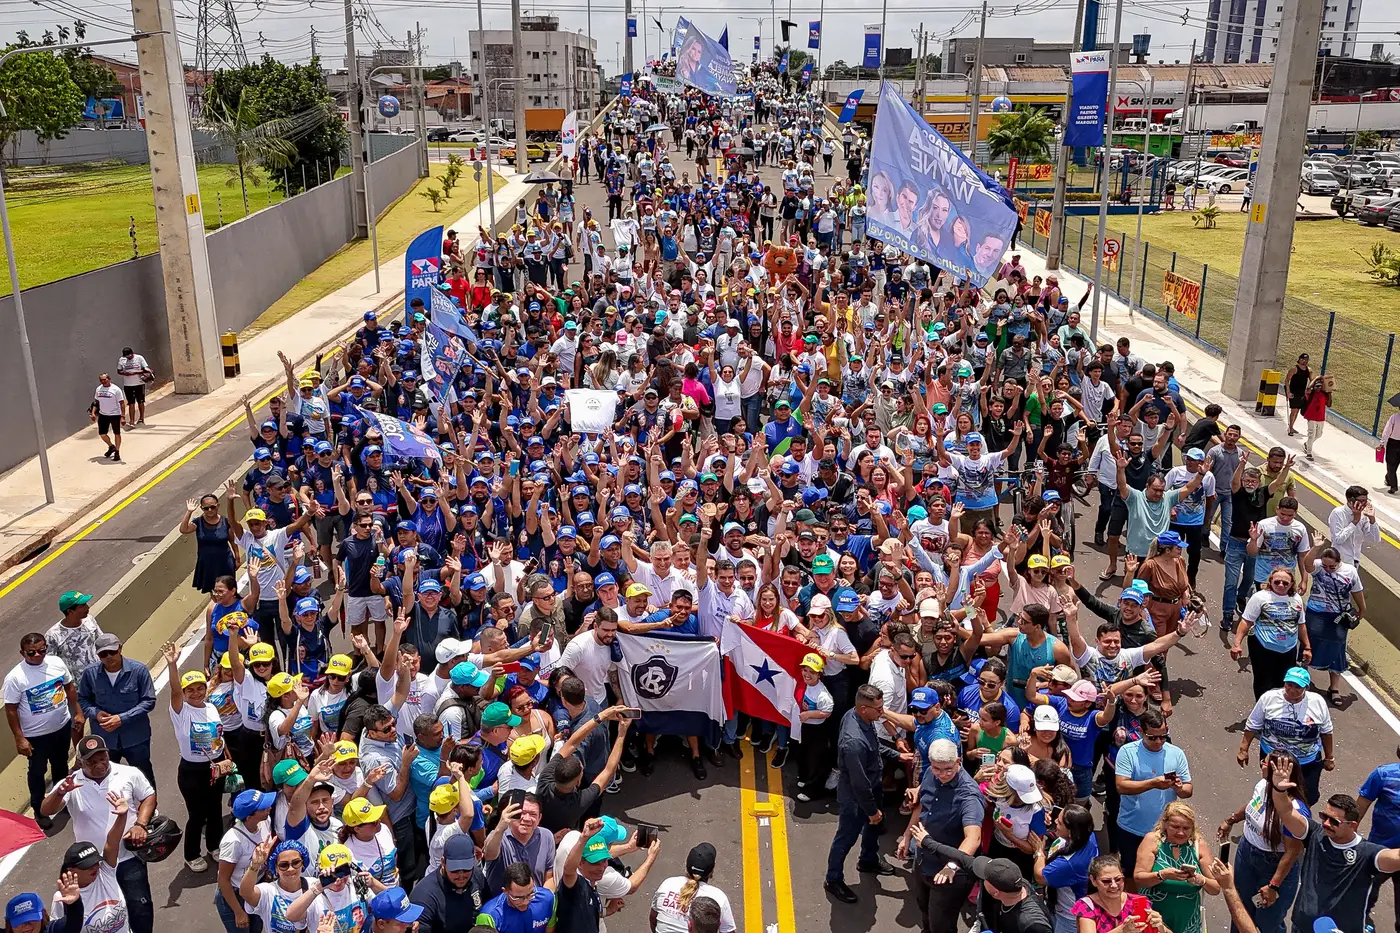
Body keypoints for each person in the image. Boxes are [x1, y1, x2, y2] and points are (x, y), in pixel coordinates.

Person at [1266, 756, 1400, 933]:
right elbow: (1286, 811)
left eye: (1334, 821)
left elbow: (1395, 858)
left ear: (1352, 825)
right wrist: (1278, 789)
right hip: (1302, 927)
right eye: (1324, 817)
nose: (1326, 824)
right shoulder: (1314, 834)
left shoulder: (1367, 853)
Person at [37, 735, 156, 933]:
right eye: (92, 761)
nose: (99, 764)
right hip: (92, 866)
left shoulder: (128, 773)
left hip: (128, 857)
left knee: (140, 907)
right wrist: (59, 793)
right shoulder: (71, 783)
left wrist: (141, 825)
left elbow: (148, 796)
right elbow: (46, 810)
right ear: (81, 762)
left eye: (102, 758)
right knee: (100, 914)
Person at [1217, 750, 1309, 933]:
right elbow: (1253, 804)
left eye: (1265, 762)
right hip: (1246, 855)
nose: (1261, 763)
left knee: (1269, 922)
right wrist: (1232, 819)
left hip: (1273, 866)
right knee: (1239, 910)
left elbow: (1292, 852)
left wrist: (1274, 886)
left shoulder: (1294, 810)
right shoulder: (1262, 785)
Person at [162, 642, 234, 872]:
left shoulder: (211, 708)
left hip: (214, 768)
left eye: (199, 688)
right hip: (191, 772)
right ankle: (191, 854)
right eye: (190, 690)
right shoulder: (181, 711)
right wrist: (173, 665)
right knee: (197, 815)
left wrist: (226, 759)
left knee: (214, 810)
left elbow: (219, 737)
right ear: (183, 693)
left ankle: (214, 846)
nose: (196, 693)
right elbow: (173, 690)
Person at [824, 684, 898, 903]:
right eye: (878, 709)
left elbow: (873, 747)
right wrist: (872, 810)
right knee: (845, 837)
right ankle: (833, 879)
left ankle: (868, 859)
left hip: (871, 787)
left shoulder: (861, 718)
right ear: (864, 708)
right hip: (856, 797)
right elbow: (859, 783)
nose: (882, 712)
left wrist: (896, 755)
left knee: (873, 829)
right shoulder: (853, 741)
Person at [903, 739, 985, 933]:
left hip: (950, 874)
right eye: (936, 769)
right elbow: (922, 805)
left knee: (941, 924)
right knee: (925, 912)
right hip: (923, 861)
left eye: (948, 769)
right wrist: (907, 836)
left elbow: (974, 838)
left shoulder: (969, 795)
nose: (942, 775)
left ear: (958, 761)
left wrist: (951, 866)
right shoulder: (931, 774)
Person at [5, 631, 83, 829]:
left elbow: (69, 688)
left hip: (61, 727)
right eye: (32, 653)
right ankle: (40, 810)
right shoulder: (15, 677)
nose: (38, 655)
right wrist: (19, 738)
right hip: (36, 736)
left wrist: (77, 712)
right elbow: (11, 710)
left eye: (41, 650)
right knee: (37, 772)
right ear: (22, 653)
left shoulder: (56, 663)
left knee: (60, 766)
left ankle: (60, 799)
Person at [1114, 708, 1192, 879]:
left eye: (1163, 736)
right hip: (1132, 828)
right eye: (1152, 737)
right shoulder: (1127, 752)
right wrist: (1153, 783)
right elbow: (1121, 786)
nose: (1158, 742)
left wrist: (1178, 788)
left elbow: (1188, 790)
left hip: (1164, 831)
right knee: (1131, 876)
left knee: (1162, 876)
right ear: (1141, 732)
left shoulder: (1176, 753)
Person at [1238, 668, 1333, 805]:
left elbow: (1326, 731)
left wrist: (1329, 757)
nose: (1292, 690)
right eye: (1289, 685)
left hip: (1306, 761)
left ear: (1306, 687)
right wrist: (1243, 749)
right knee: (1273, 793)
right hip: (1275, 759)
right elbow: (1253, 725)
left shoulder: (1317, 702)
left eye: (1298, 687)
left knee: (1307, 797)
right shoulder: (1268, 699)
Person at [76, 634, 157, 788]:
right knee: (106, 779)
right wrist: (96, 713)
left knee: (143, 776)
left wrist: (122, 718)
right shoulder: (90, 674)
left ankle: (150, 810)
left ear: (120, 648)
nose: (108, 657)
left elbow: (149, 701)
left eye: (112, 652)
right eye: (103, 654)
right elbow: (83, 699)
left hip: (136, 737)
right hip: (105, 740)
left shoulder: (139, 670)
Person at [1132, 802, 1218, 933]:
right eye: (1175, 827)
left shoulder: (1198, 846)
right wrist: (1162, 875)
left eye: (1186, 828)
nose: (1181, 833)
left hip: (1187, 921)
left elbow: (1215, 888)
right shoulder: (1153, 841)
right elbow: (1139, 878)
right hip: (1153, 917)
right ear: (1165, 824)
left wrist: (1201, 880)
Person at [1033, 805, 1100, 933]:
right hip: (1064, 907)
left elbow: (1040, 876)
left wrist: (1039, 852)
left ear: (1071, 831)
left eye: (1060, 822)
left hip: (1069, 917)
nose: (1055, 821)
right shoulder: (1088, 835)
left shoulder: (1070, 864)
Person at [409, 834, 490, 933]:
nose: (461, 876)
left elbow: (489, 905)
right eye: (454, 870)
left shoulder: (476, 875)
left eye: (466, 869)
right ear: (443, 862)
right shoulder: (424, 897)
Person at [650, 843, 737, 933]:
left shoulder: (667, 884)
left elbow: (653, 920)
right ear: (711, 871)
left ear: (687, 866)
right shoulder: (718, 898)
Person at [91, 373, 126, 461]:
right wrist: (93, 413)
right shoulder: (98, 389)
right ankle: (111, 446)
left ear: (109, 379)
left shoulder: (116, 389)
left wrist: (122, 416)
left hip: (115, 415)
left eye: (105, 379)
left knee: (116, 433)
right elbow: (96, 402)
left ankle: (117, 452)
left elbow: (122, 403)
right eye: (101, 380)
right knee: (102, 434)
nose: (103, 381)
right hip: (103, 415)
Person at [116, 348, 152, 427]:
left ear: (132, 353)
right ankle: (132, 421)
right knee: (131, 403)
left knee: (140, 401)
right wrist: (124, 373)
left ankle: (141, 418)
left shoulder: (139, 358)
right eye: (127, 356)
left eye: (130, 356)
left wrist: (135, 372)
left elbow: (145, 369)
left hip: (139, 383)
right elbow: (118, 371)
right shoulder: (122, 360)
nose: (128, 357)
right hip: (128, 385)